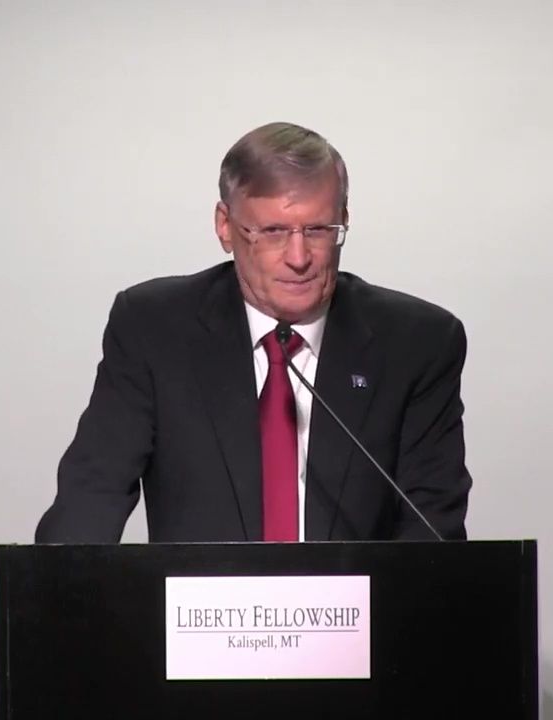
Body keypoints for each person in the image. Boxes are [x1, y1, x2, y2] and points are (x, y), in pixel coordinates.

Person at [34, 121, 472, 543]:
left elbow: (433, 535)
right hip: (198, 597)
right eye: (273, 231)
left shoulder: (418, 344)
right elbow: (90, 500)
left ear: (344, 220)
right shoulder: (153, 329)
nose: (299, 258)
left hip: (360, 598)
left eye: (317, 230)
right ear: (225, 227)